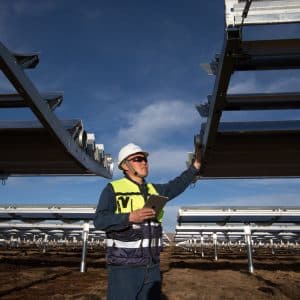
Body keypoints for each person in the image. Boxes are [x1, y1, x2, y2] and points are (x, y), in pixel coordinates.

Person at [94, 143, 201, 300]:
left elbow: (177, 184)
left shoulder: (154, 190)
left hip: (152, 267)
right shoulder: (113, 189)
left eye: (145, 159)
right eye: (138, 159)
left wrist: (195, 166)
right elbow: (99, 220)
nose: (144, 162)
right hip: (124, 269)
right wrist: (129, 217)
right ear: (125, 165)